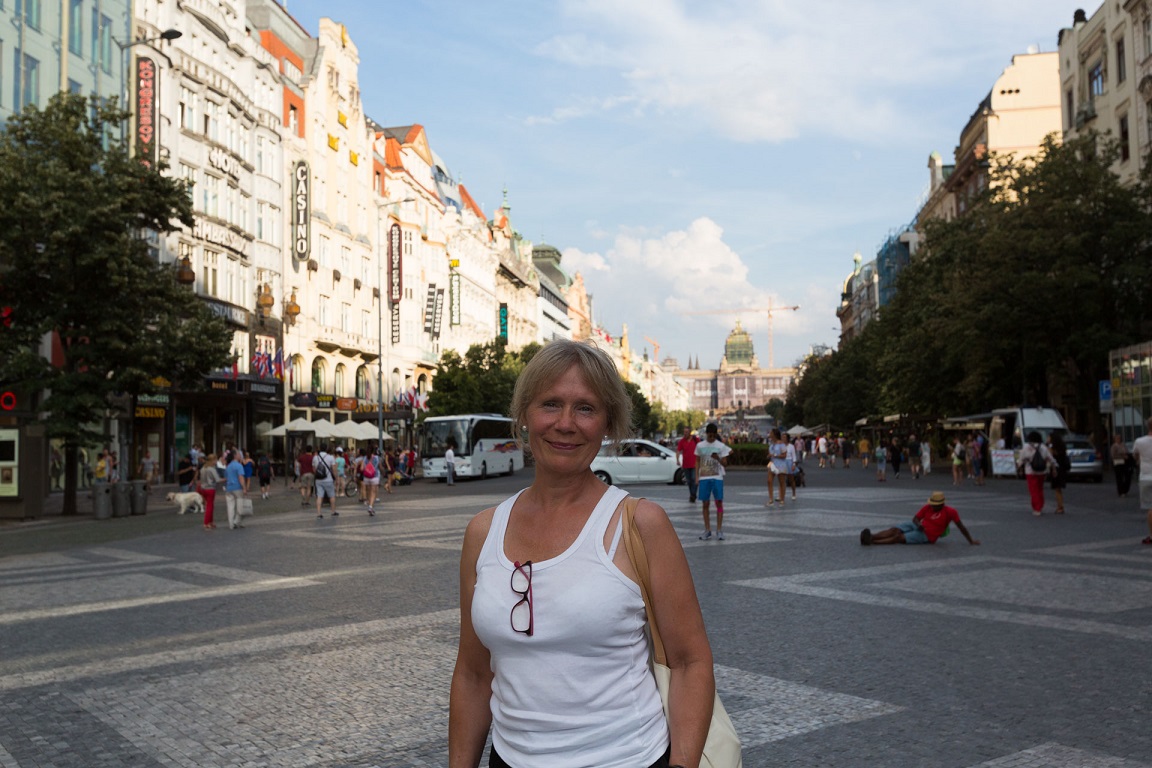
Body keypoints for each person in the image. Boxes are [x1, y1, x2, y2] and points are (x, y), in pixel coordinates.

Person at [448, 339, 714, 768]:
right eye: (550, 404)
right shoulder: (483, 532)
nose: (566, 424)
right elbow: (474, 675)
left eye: (586, 408)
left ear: (608, 422)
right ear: (524, 416)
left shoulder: (641, 525)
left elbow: (690, 662)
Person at [860, 491, 980, 546]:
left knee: (898, 538)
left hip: (928, 535)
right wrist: (919, 525)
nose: (932, 505)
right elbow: (915, 518)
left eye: (934, 504)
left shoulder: (950, 512)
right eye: (932, 503)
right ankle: (872, 536)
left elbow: (961, 527)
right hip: (920, 526)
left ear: (941, 504)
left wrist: (970, 540)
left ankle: (873, 542)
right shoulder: (927, 507)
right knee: (894, 530)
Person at [696, 423, 732, 540]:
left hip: (717, 477)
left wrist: (718, 458)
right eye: (709, 435)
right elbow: (697, 461)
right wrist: (697, 476)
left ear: (716, 434)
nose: (711, 438)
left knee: (719, 503)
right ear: (706, 434)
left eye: (713, 436)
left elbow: (725, 463)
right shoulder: (700, 445)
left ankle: (719, 530)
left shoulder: (721, 446)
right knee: (705, 504)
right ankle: (707, 529)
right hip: (704, 477)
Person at [1017, 431, 1055, 516]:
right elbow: (1050, 457)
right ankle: (1040, 506)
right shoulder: (1043, 447)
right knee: (1040, 489)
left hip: (1030, 471)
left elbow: (1021, 458)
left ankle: (1036, 508)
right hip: (1042, 471)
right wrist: (1054, 465)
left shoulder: (1027, 447)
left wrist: (1019, 467)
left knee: (1033, 490)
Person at [1132, 418, 1152, 544]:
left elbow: (1135, 455)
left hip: (1145, 476)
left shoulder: (1140, 441)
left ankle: (1151, 535)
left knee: (1150, 507)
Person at [675, 426, 700, 504]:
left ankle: (693, 495)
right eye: (684, 432)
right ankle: (692, 494)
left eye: (686, 432)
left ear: (690, 432)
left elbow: (701, 450)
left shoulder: (696, 440)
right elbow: (678, 451)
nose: (685, 434)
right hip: (686, 464)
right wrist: (677, 460)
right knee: (689, 481)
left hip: (694, 464)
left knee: (694, 479)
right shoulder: (682, 441)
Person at [223, 450, 247, 530]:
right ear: (235, 456)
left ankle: (231, 524)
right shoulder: (239, 466)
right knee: (240, 505)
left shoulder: (228, 466)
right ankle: (237, 521)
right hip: (237, 487)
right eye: (239, 454)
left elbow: (226, 477)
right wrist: (244, 488)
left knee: (230, 506)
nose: (240, 455)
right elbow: (241, 477)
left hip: (229, 488)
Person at [766, 428, 790, 507]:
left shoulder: (781, 444)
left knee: (781, 482)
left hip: (781, 464)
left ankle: (782, 500)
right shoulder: (771, 444)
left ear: (774, 434)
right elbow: (771, 454)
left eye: (771, 433)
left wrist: (774, 455)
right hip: (772, 463)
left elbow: (784, 455)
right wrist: (769, 456)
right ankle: (770, 500)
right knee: (769, 481)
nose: (770, 434)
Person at [313, 444, 338, 519]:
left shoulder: (315, 457)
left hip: (318, 479)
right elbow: (333, 469)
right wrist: (335, 478)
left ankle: (318, 513)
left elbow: (314, 469)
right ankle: (333, 511)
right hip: (328, 479)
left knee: (319, 496)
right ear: (326, 449)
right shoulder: (330, 457)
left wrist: (317, 475)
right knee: (331, 495)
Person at [1048, 432, 1070, 515]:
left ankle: (1060, 507)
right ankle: (1060, 506)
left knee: (1057, 489)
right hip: (1062, 469)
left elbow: (1051, 458)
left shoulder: (1053, 448)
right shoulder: (1062, 447)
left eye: (1049, 437)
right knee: (1058, 488)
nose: (1047, 439)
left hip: (1057, 469)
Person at [197, 453, 219, 530]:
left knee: (210, 505)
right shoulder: (212, 469)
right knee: (210, 506)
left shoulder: (203, 468)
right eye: (216, 460)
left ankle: (210, 522)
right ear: (213, 460)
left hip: (203, 488)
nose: (216, 461)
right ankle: (206, 522)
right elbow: (217, 479)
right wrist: (226, 478)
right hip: (210, 488)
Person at [1111, 433, 1133, 498]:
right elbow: (1113, 455)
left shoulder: (1123, 445)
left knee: (1127, 476)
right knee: (1119, 478)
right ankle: (1121, 491)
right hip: (1118, 463)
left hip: (1124, 463)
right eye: (1117, 438)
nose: (1118, 439)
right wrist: (1122, 456)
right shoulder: (1114, 446)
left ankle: (1125, 489)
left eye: (1119, 438)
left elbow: (1126, 452)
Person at [362, 446, 381, 515]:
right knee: (373, 493)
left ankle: (371, 507)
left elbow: (362, 468)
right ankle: (370, 507)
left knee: (369, 492)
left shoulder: (365, 458)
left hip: (366, 477)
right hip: (374, 476)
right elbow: (380, 466)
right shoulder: (376, 458)